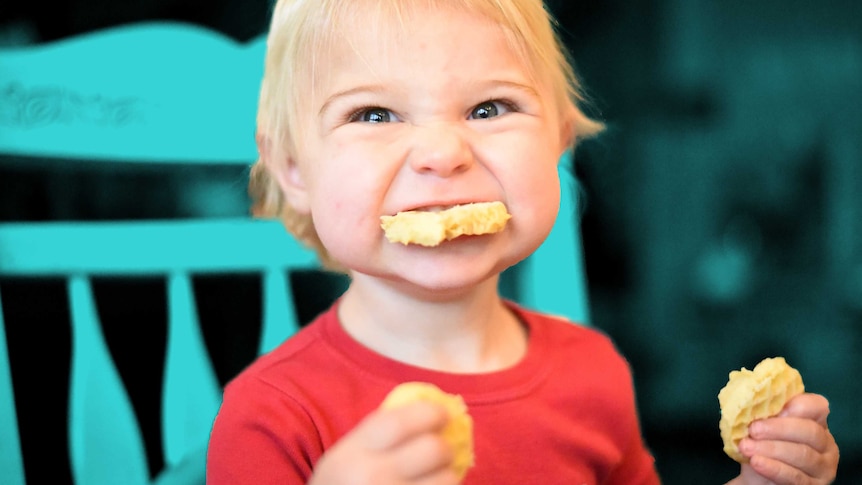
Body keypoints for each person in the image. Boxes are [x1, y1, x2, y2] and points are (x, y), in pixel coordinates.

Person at [206, 0, 840, 483]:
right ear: (293, 170)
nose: (442, 153)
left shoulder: (594, 374)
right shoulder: (272, 417)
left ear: (560, 141)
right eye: (373, 114)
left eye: (489, 108)